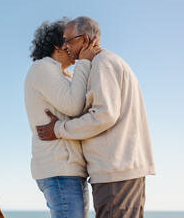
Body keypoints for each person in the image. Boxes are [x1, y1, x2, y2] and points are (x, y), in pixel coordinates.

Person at [36, 16, 155, 218]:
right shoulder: (107, 63)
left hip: (115, 172)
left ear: (85, 40)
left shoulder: (103, 64)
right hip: (119, 170)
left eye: (69, 40)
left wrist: (58, 129)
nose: (65, 47)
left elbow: (103, 115)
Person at [24, 18, 100, 218]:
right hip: (59, 170)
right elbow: (74, 106)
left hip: (70, 171)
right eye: (67, 41)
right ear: (58, 45)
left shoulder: (63, 74)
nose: (73, 47)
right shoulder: (43, 68)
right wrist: (84, 61)